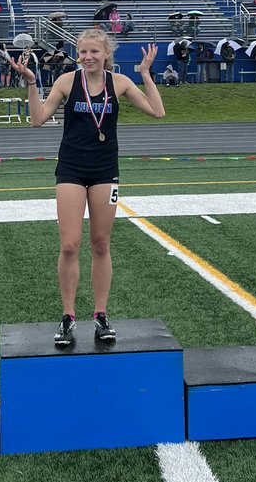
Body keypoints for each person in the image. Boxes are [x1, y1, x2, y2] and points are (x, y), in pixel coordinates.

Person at [11, 30, 164, 346]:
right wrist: (31, 82)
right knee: (69, 245)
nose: (88, 57)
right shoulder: (67, 82)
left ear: (106, 53)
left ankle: (100, 314)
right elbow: (37, 120)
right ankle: (68, 317)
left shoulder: (119, 83)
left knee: (101, 244)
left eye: (94, 51)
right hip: (71, 169)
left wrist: (146, 74)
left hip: (105, 171)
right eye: (83, 52)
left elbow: (157, 111)